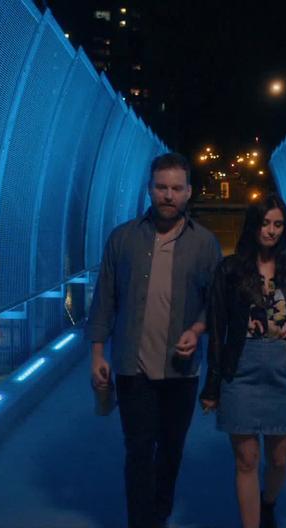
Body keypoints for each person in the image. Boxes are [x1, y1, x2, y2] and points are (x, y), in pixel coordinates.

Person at [87, 152, 221, 528]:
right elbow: (105, 299)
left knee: (172, 449)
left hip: (181, 371)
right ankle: (142, 521)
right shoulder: (123, 239)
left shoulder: (205, 244)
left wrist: (196, 330)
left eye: (176, 188)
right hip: (134, 367)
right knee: (139, 449)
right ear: (149, 190)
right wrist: (98, 352)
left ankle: (159, 511)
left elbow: (216, 304)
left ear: (189, 193)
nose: (168, 195)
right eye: (161, 187)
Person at [199, 194, 286, 528]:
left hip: (282, 371)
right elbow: (218, 331)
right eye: (265, 223)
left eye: (278, 224)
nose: (271, 231)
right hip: (240, 372)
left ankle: (268, 503)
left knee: (279, 460)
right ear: (253, 225)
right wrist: (212, 387)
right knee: (246, 459)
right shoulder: (231, 271)